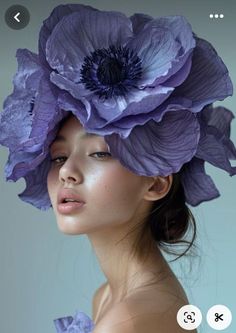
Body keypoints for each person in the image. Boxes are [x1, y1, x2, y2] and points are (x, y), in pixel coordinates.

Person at [0, 4, 235, 333]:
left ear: (155, 183)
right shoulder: (111, 298)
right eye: (58, 156)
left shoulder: (129, 320)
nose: (67, 171)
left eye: (98, 154)